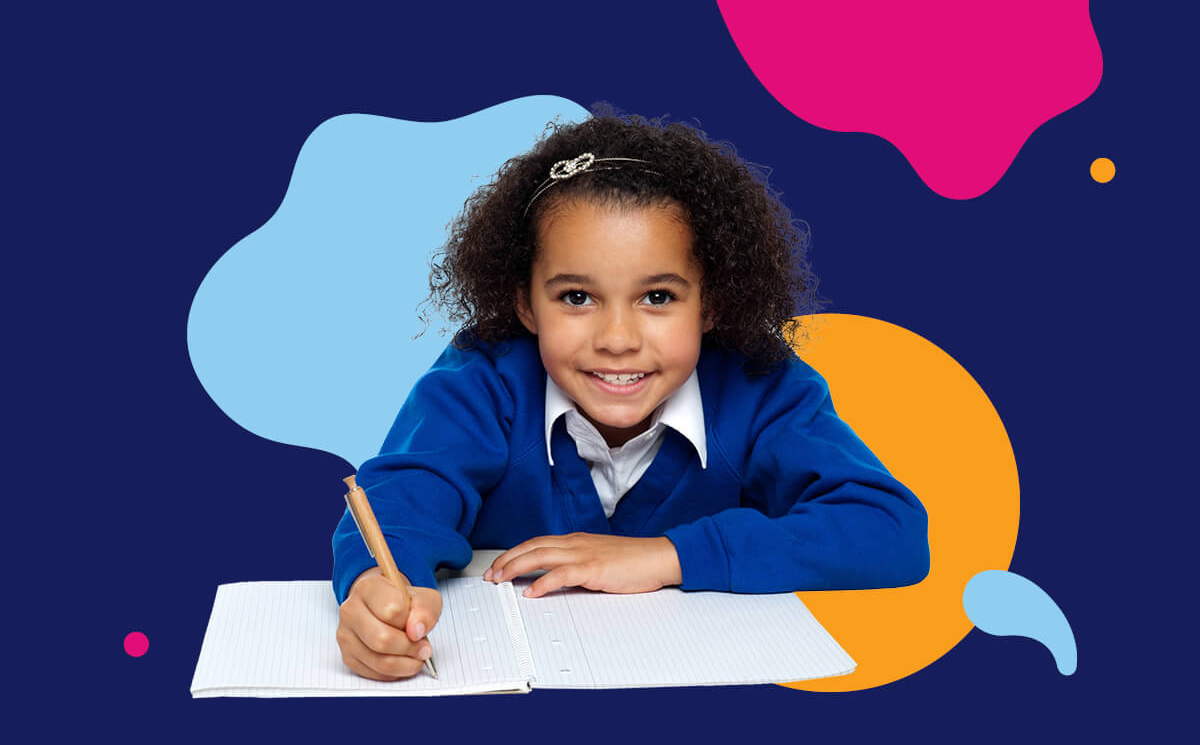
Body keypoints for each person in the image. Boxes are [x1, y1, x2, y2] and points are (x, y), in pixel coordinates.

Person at [333, 110, 929, 681]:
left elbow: (889, 530)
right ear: (525, 304)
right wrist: (378, 592)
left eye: (659, 298)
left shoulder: (764, 387)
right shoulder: (482, 380)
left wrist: (665, 556)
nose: (617, 340)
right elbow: (401, 504)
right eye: (575, 297)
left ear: (712, 302)